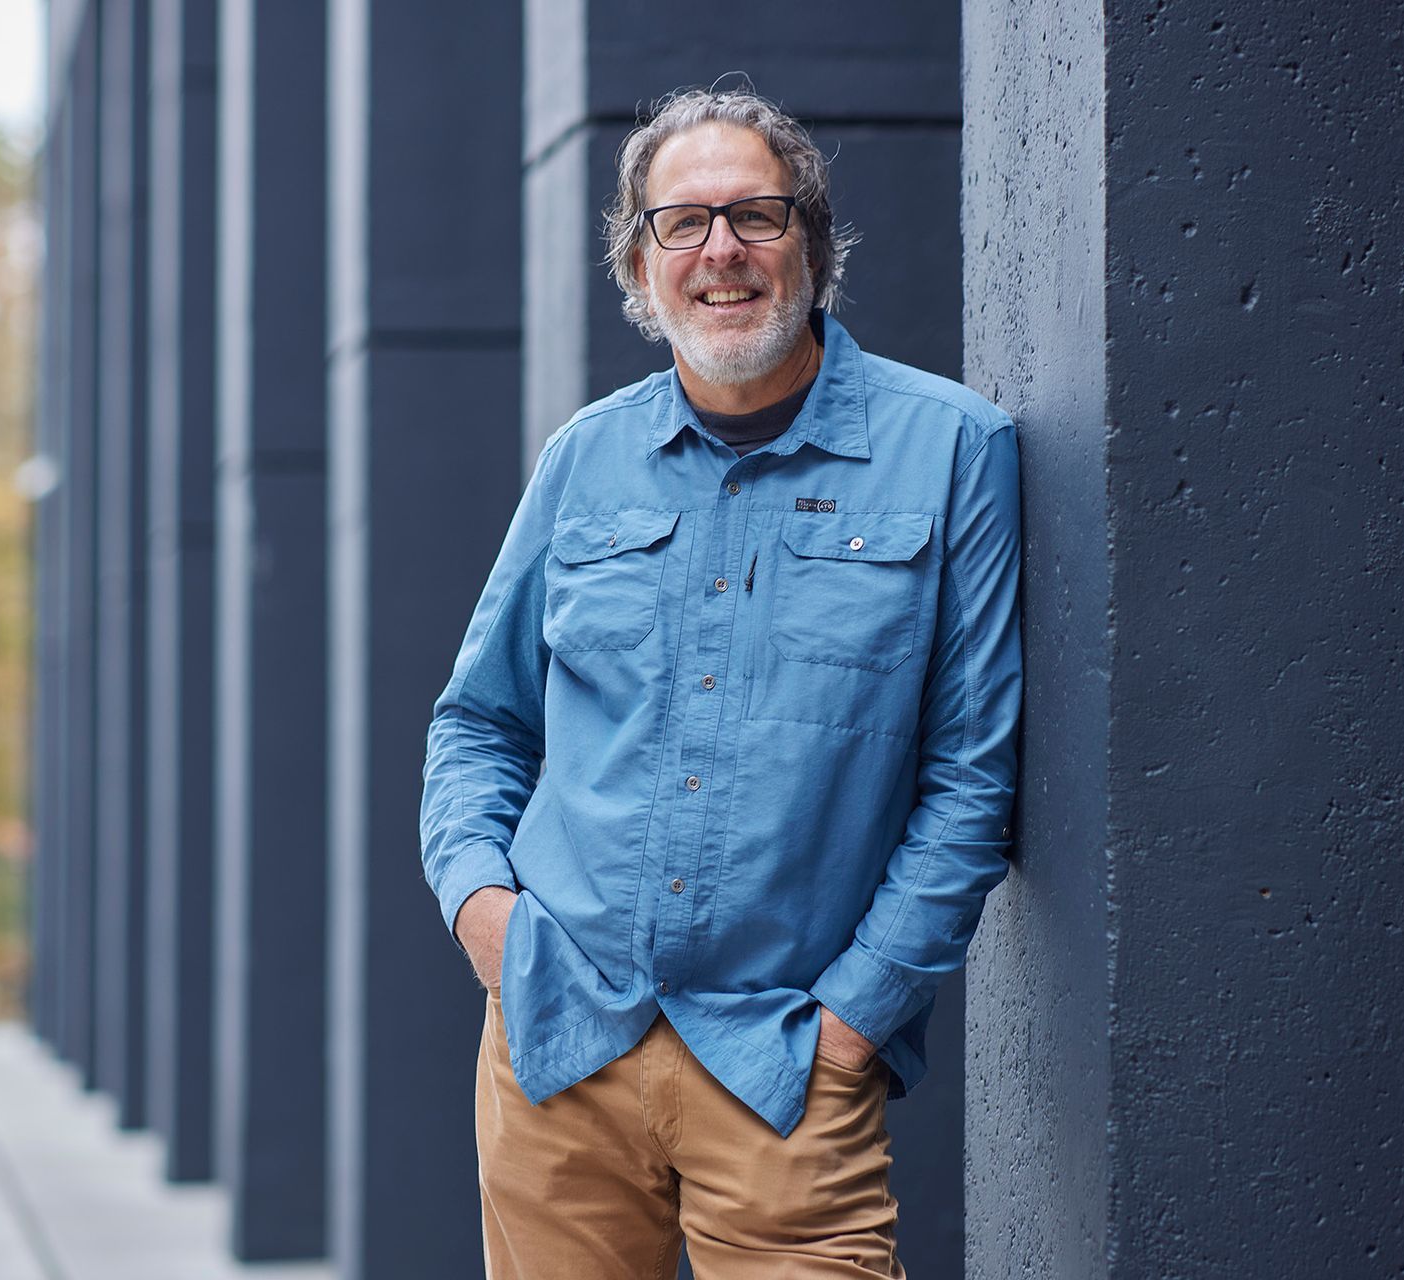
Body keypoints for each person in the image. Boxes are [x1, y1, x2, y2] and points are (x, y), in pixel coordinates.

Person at [419, 85, 1021, 1279]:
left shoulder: (953, 450)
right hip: (555, 1040)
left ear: (815, 239)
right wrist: (488, 915)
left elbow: (973, 774)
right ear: (640, 266)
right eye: (681, 224)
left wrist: (857, 1018)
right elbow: (479, 722)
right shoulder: (585, 457)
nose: (722, 252)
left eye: (755, 213)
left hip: (786, 1060)